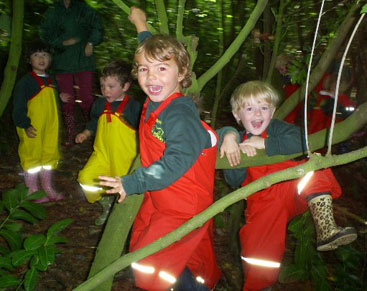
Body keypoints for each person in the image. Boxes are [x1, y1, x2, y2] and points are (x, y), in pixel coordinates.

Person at [99, 7, 221, 291]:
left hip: (183, 202)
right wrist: (141, 24)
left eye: (161, 69)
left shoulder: (179, 112)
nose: (151, 77)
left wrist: (133, 181)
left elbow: (178, 160)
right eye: (144, 69)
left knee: (151, 262)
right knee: (154, 252)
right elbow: (152, 51)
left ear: (182, 74)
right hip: (163, 196)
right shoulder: (158, 98)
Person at [218, 81, 357, 291]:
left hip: (292, 190)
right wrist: (230, 140)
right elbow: (234, 181)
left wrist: (265, 144)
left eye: (263, 108)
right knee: (259, 250)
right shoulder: (237, 140)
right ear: (237, 115)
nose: (257, 114)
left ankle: (326, 226)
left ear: (272, 111)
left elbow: (303, 142)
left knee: (314, 164)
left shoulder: (278, 129)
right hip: (262, 203)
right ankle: (261, 286)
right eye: (249, 109)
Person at [75, 60, 142, 225]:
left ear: (125, 86)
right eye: (103, 86)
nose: (106, 90)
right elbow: (94, 122)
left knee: (124, 191)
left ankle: (121, 217)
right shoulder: (99, 104)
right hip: (102, 155)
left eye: (111, 86)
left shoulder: (134, 107)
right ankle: (105, 202)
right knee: (85, 178)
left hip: (125, 159)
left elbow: (144, 131)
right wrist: (85, 133)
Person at [40, 0, 104, 147]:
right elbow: (45, 32)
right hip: (62, 61)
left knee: (87, 97)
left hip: (84, 60)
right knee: (66, 99)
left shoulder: (84, 9)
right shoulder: (54, 11)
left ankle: (93, 131)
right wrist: (61, 43)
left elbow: (97, 27)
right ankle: (71, 133)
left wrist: (91, 43)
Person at [13, 41, 64, 203]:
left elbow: (51, 102)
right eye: (36, 55)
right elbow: (19, 106)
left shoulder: (51, 79)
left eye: (45, 55)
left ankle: (47, 187)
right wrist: (25, 124)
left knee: (49, 154)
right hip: (32, 127)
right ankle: (32, 190)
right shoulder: (26, 82)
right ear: (29, 60)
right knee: (32, 156)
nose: (41, 58)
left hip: (50, 126)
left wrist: (60, 99)